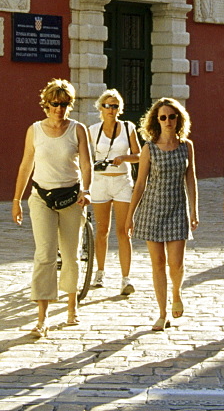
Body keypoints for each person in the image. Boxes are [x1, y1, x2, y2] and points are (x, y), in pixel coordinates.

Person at [12, 79, 92, 337]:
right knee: (44, 254)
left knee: (70, 255)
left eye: (64, 104)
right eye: (55, 104)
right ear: (45, 104)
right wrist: (16, 200)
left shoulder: (77, 130)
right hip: (41, 198)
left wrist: (86, 190)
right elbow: (26, 164)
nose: (59, 109)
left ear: (70, 105)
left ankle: (71, 307)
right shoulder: (34, 130)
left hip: (71, 198)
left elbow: (87, 164)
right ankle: (42, 317)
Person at [126, 98, 198, 331]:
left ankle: (176, 291)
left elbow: (191, 178)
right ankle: (162, 312)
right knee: (157, 263)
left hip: (177, 207)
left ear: (179, 119)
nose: (168, 121)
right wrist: (130, 216)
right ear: (156, 121)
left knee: (176, 263)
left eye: (172, 116)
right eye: (163, 117)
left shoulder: (187, 146)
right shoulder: (149, 148)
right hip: (152, 209)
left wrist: (194, 209)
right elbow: (140, 184)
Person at [88, 88, 141, 294]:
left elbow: (138, 154)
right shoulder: (92, 130)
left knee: (123, 231)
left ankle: (126, 278)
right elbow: (84, 154)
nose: (111, 110)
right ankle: (99, 273)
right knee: (101, 231)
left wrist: (124, 158)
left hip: (121, 181)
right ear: (101, 107)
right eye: (107, 106)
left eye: (115, 106)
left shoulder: (128, 128)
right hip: (100, 181)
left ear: (120, 109)